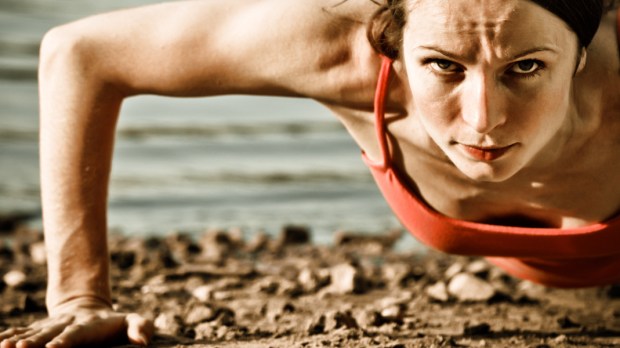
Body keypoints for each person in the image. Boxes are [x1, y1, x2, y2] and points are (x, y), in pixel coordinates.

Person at [0, 0, 618, 346]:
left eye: (527, 67)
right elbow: (81, 54)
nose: (484, 118)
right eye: (444, 66)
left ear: (583, 53)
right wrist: (79, 297)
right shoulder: (337, 52)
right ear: (393, 49)